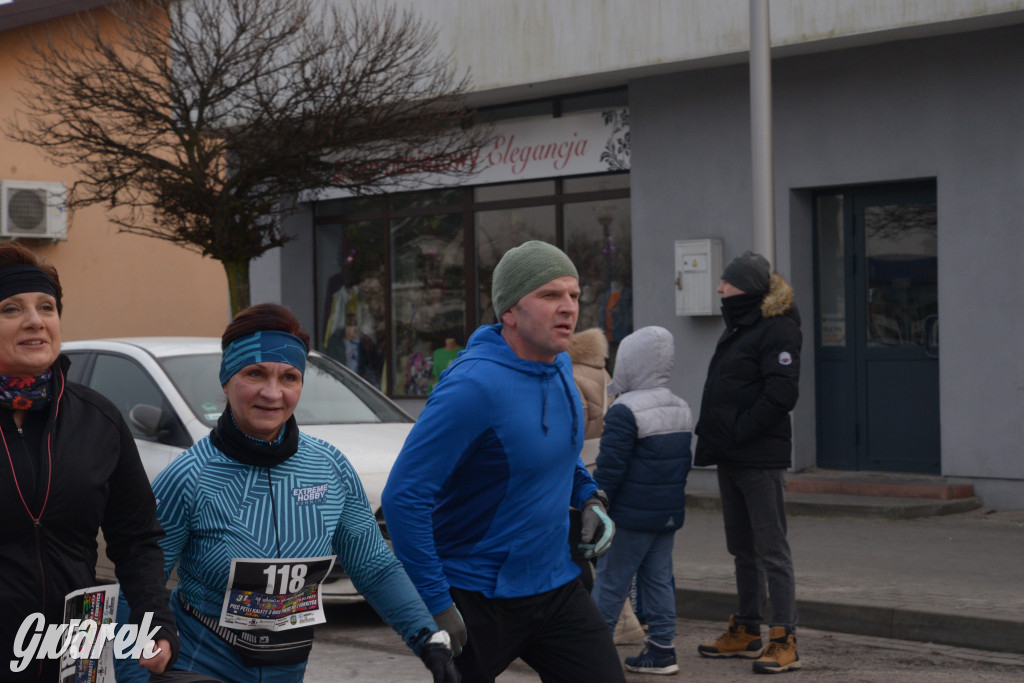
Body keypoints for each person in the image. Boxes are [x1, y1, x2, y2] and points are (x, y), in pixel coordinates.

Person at [115, 303, 458, 683]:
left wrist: (428, 639)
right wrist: (135, 677)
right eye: (255, 373)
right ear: (227, 379)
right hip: (200, 667)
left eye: (289, 378)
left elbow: (374, 567)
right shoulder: (189, 476)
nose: (272, 393)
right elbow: (137, 586)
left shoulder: (329, 467)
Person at [382, 241, 625, 683]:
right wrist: (435, 603)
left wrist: (591, 498)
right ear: (510, 312)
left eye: (573, 295)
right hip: (475, 595)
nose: (568, 307)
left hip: (555, 586)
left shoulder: (561, 371)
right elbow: (404, 498)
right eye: (550, 295)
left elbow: (559, 456)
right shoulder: (472, 387)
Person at [0, 242, 177, 681]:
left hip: (77, 655)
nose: (35, 321)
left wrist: (154, 619)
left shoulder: (99, 417)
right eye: (10, 309)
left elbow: (136, 538)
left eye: (47, 306)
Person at [693, 251, 802, 674]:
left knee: (771, 548)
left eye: (727, 283)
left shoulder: (777, 329)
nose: (720, 290)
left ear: (748, 288)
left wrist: (738, 432)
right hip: (731, 454)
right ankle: (746, 629)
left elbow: (781, 394)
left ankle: (785, 638)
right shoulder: (742, 326)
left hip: (758, 456)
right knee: (741, 548)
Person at [589, 326, 693, 675]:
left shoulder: (625, 410)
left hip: (629, 518)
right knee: (659, 580)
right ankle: (662, 649)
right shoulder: (681, 407)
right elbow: (683, 465)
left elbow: (610, 468)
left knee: (610, 584)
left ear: (631, 363)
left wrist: (597, 503)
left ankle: (593, 656)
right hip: (665, 515)